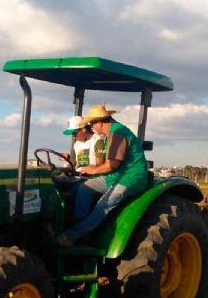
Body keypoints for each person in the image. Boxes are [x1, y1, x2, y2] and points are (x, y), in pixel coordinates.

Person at [57, 104, 148, 247]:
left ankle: (72, 236)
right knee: (84, 188)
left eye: (92, 124)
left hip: (131, 177)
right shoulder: (109, 134)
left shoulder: (118, 134)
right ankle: (79, 226)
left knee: (103, 206)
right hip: (115, 176)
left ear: (99, 122)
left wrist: (91, 170)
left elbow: (112, 165)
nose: (91, 128)